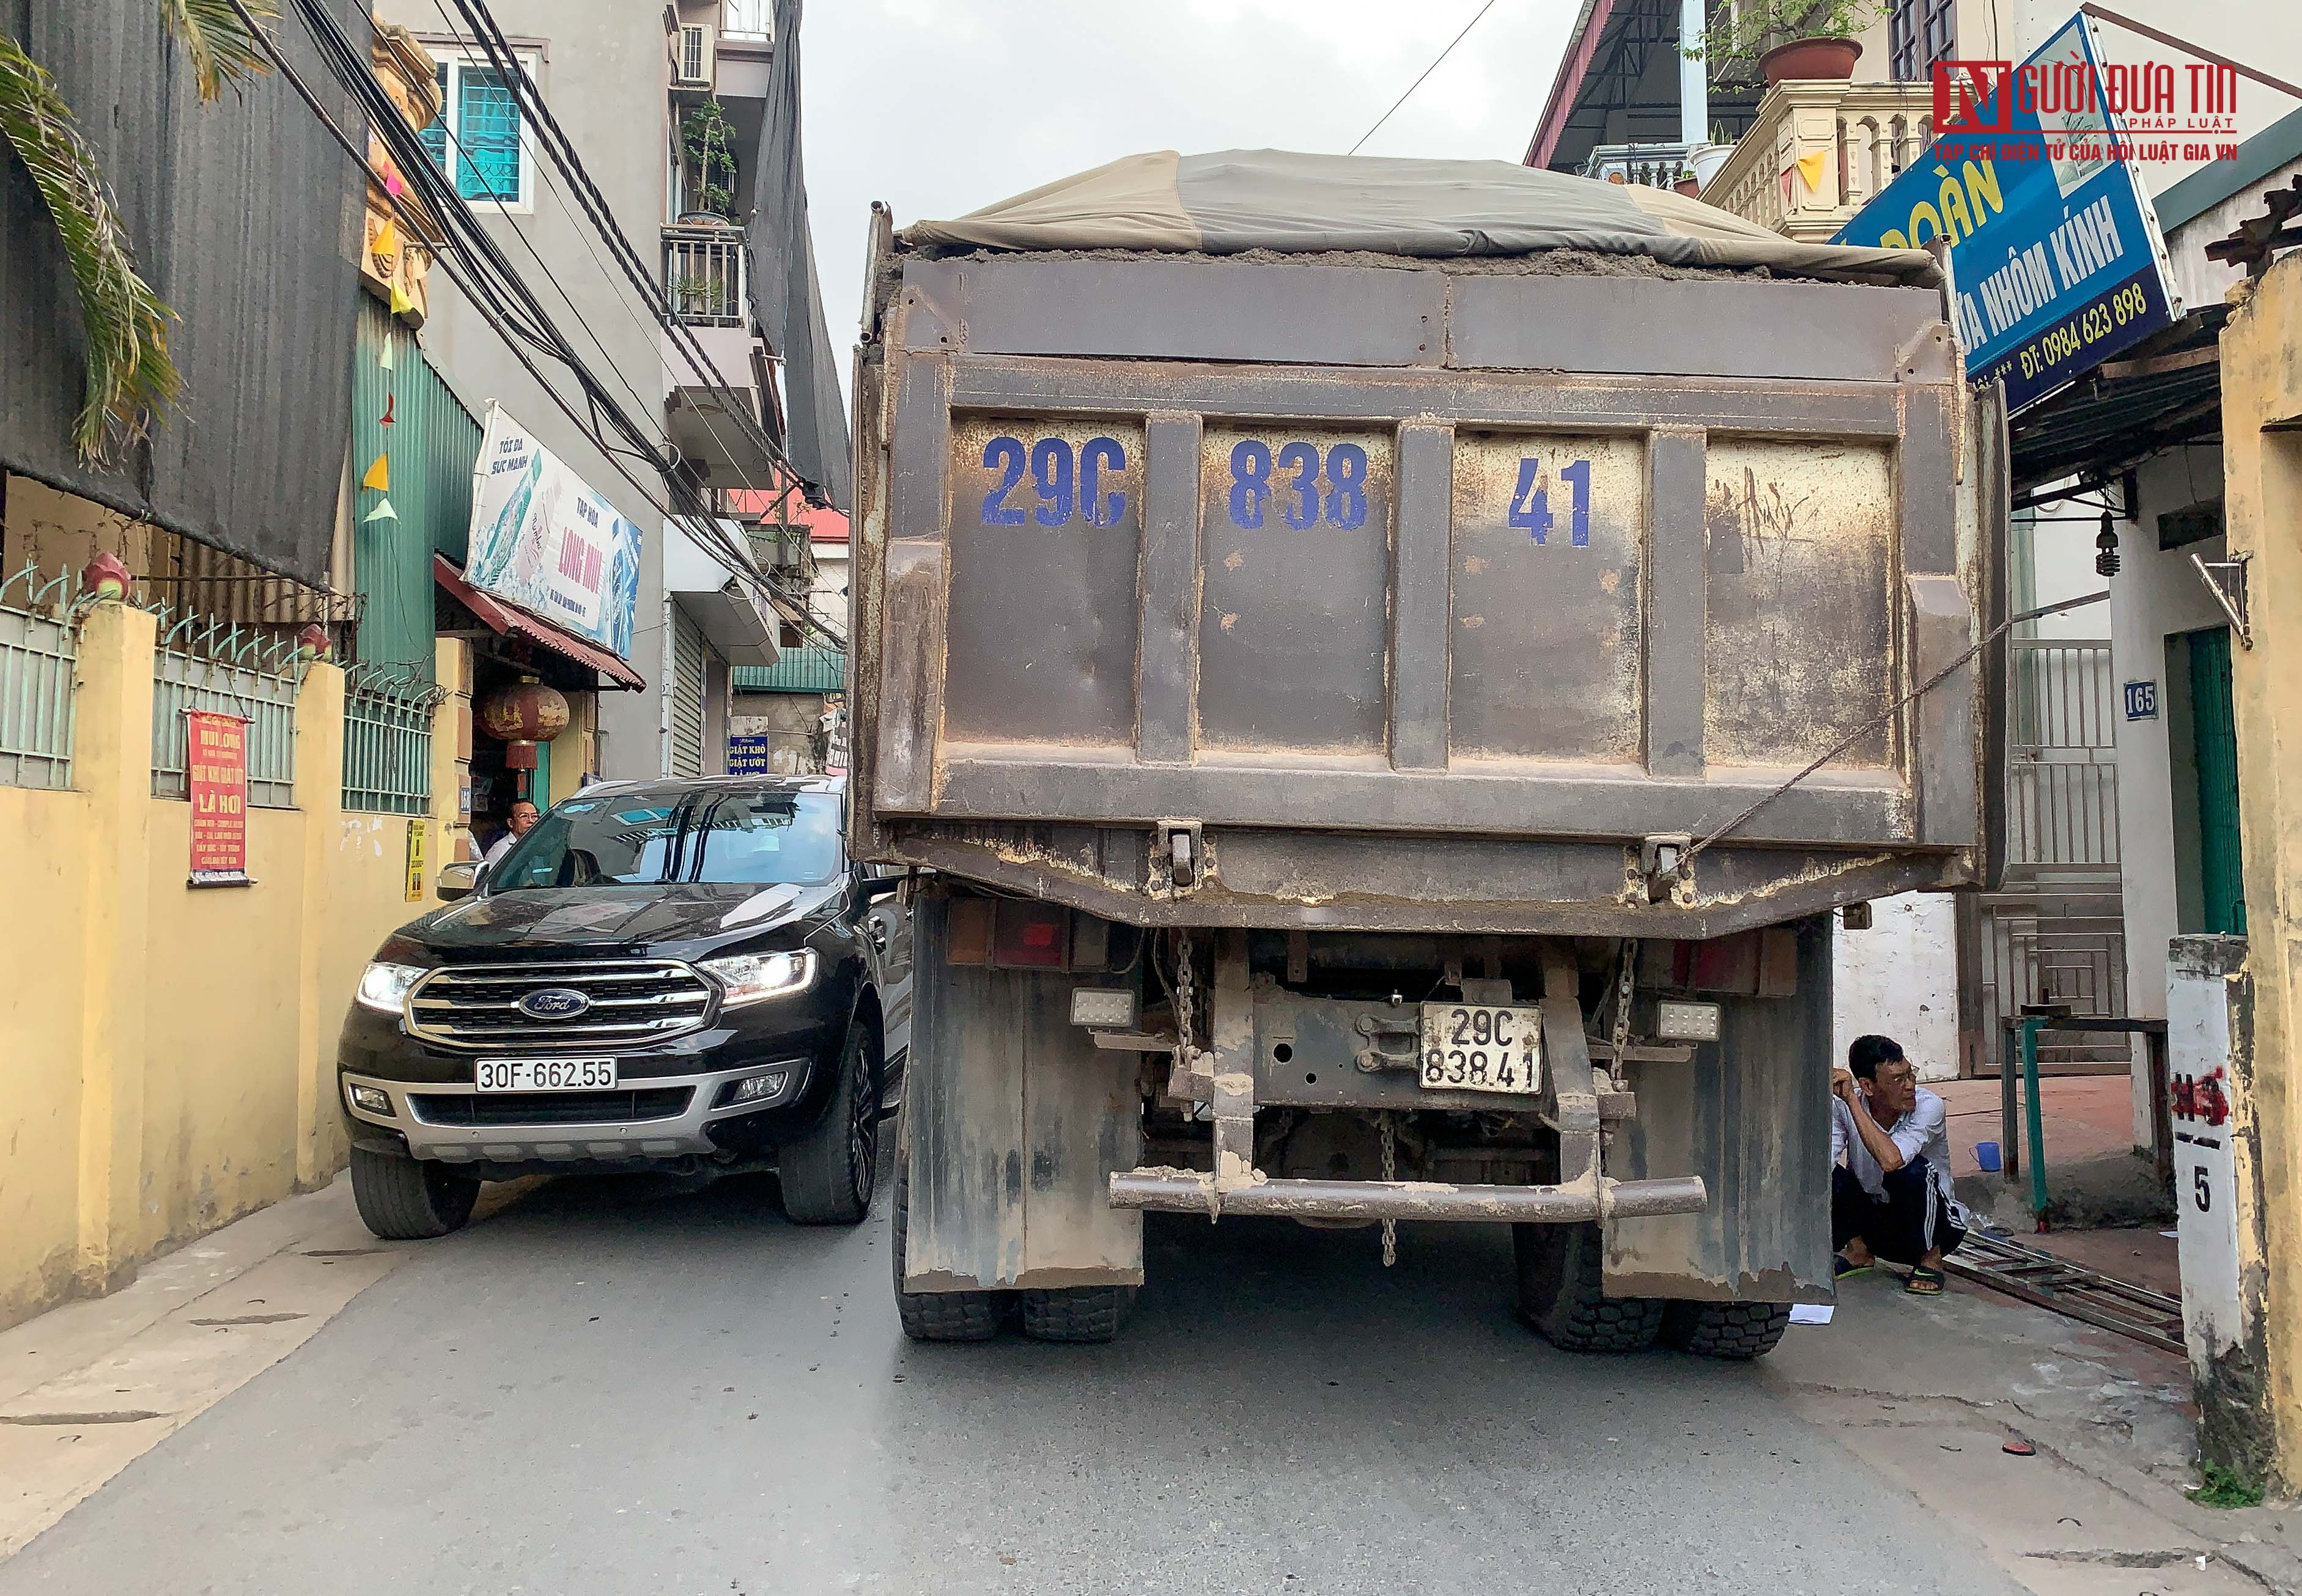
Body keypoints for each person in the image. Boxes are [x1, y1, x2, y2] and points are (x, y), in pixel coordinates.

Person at [1831, 1034, 1967, 1295]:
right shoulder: (1846, 1106)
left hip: (1934, 1228)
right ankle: (1859, 1250)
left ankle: (1931, 1259)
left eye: (1910, 1074)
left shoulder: (1930, 1107)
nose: (1910, 1086)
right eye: (1898, 1079)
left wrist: (1851, 1102)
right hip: (1875, 1220)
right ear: (1868, 1087)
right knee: (1825, 1174)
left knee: (1911, 1172)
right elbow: (1823, 1162)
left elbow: (1891, 1160)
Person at [482, 800, 540, 869]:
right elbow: (489, 879)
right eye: (524, 816)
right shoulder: (501, 850)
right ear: (511, 823)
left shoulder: (539, 846)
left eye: (534, 816)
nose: (530, 821)